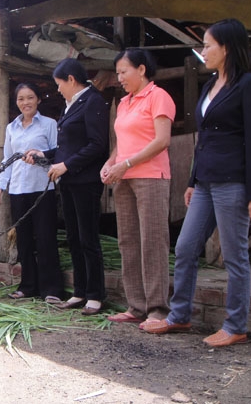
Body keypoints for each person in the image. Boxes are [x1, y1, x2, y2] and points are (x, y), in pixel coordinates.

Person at [144, 19, 251, 347]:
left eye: (207, 45)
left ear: (226, 47)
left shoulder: (249, 85)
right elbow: (204, 140)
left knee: (233, 255)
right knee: (185, 247)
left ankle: (235, 325)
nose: (203, 51)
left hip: (234, 183)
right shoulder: (208, 85)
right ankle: (180, 316)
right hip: (204, 183)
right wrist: (191, 180)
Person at [26, 58, 110, 315]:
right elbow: (67, 148)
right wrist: (45, 154)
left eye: (60, 84)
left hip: (86, 181)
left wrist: (67, 166)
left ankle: (96, 295)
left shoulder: (93, 101)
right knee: (73, 238)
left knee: (88, 239)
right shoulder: (70, 105)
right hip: (71, 181)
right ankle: (80, 292)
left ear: (72, 80)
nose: (58, 89)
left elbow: (97, 145)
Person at [100, 48, 175, 329]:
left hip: (151, 178)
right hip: (123, 178)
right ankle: (136, 306)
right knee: (128, 241)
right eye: (117, 73)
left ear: (141, 69)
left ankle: (157, 308)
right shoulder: (124, 103)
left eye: (124, 72)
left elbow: (162, 141)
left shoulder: (159, 97)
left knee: (152, 241)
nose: (120, 78)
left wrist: (126, 164)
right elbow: (122, 142)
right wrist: (111, 162)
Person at [0, 82, 63, 303]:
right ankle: (28, 286)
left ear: (38, 100)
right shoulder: (11, 128)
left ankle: (51, 289)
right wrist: (0, 185)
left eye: (30, 98)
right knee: (23, 241)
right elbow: (8, 160)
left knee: (46, 239)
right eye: (21, 99)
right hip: (18, 190)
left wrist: (39, 159)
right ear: (16, 102)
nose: (26, 103)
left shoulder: (49, 124)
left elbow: (58, 154)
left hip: (43, 189)